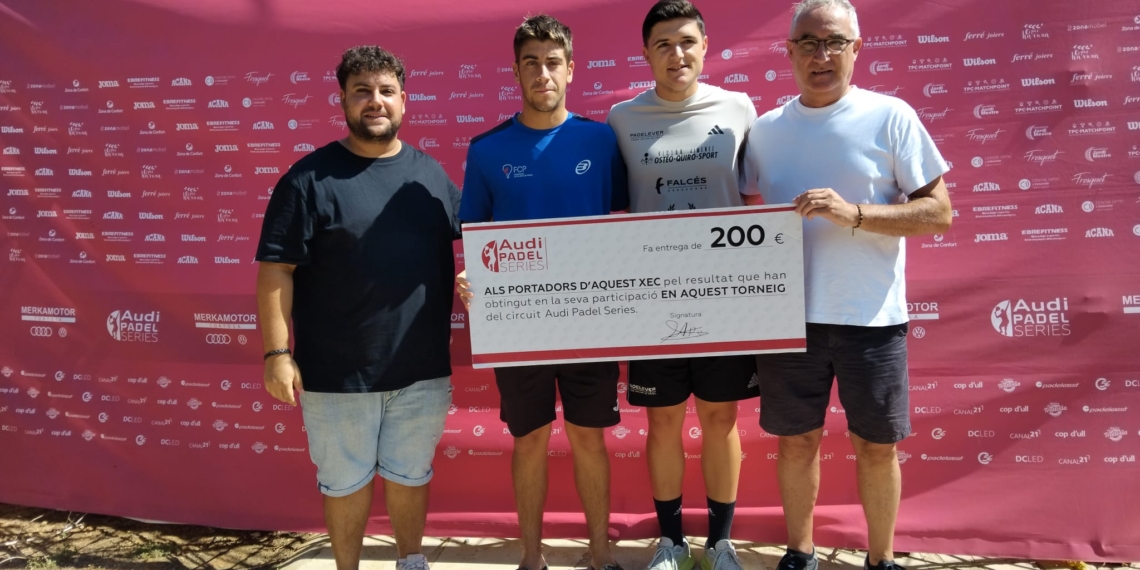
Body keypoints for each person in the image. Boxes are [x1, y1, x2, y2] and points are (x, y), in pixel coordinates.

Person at [741, 2, 953, 570]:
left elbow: (939, 212)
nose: (821, 55)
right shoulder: (763, 131)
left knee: (877, 447)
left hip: (872, 319)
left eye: (834, 42)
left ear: (857, 49)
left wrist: (854, 213)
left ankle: (880, 559)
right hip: (787, 319)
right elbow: (731, 218)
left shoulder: (892, 117)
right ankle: (799, 553)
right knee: (796, 442)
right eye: (807, 43)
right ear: (787, 53)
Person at [255, 46, 461, 570]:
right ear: (344, 100)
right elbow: (276, 269)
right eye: (362, 91)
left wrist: (476, 277)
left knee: (412, 476)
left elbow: (481, 248)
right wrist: (277, 352)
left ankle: (411, 561)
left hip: (421, 370)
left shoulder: (431, 176)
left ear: (403, 101)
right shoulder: (307, 180)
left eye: (386, 91)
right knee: (344, 484)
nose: (375, 101)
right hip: (336, 375)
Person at [454, 15, 629, 570]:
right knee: (528, 440)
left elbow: (626, 226)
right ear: (516, 71)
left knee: (588, 439)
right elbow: (476, 238)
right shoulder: (486, 150)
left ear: (571, 69)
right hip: (519, 324)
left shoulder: (601, 140)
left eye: (553, 61)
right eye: (531, 62)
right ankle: (531, 557)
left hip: (589, 320)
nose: (542, 72)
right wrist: (469, 279)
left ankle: (599, 553)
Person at [605, 2, 759, 569]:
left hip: (726, 296)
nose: (677, 54)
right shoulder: (622, 118)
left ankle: (721, 544)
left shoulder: (740, 108)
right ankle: (671, 542)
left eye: (687, 42)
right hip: (653, 297)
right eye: (664, 44)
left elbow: (757, 200)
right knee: (664, 419)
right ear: (646, 53)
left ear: (705, 46)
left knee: (721, 419)